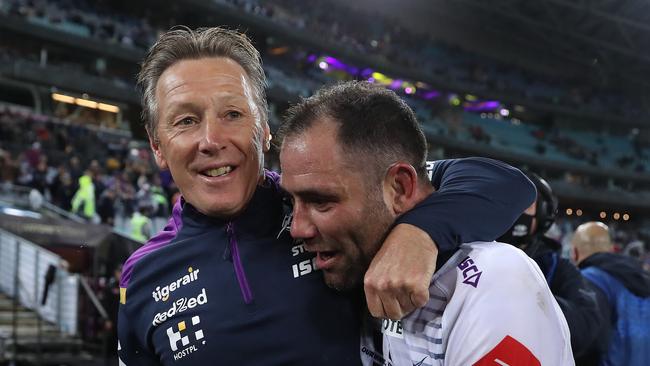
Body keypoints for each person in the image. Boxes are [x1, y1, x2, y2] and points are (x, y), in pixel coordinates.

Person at [118, 27, 535, 365]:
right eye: (186, 121)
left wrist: (418, 233)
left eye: (232, 114)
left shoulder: (320, 202)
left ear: (263, 129)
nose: (212, 139)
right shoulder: (142, 277)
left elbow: (502, 182)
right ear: (157, 146)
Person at [278, 81, 573, 365]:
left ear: (400, 188)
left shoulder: (492, 281)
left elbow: (503, 180)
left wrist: (419, 233)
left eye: (321, 201)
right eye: (293, 201)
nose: (297, 228)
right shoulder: (360, 265)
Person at [498, 172, 605, 364]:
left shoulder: (558, 267)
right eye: (510, 199)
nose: (515, 208)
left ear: (543, 213)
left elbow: (587, 325)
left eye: (526, 203)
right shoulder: (467, 249)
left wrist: (531, 297)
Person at [571, 222, 650, 366]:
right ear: (612, 249)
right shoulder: (643, 277)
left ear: (574, 253)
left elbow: (587, 343)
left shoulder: (587, 280)